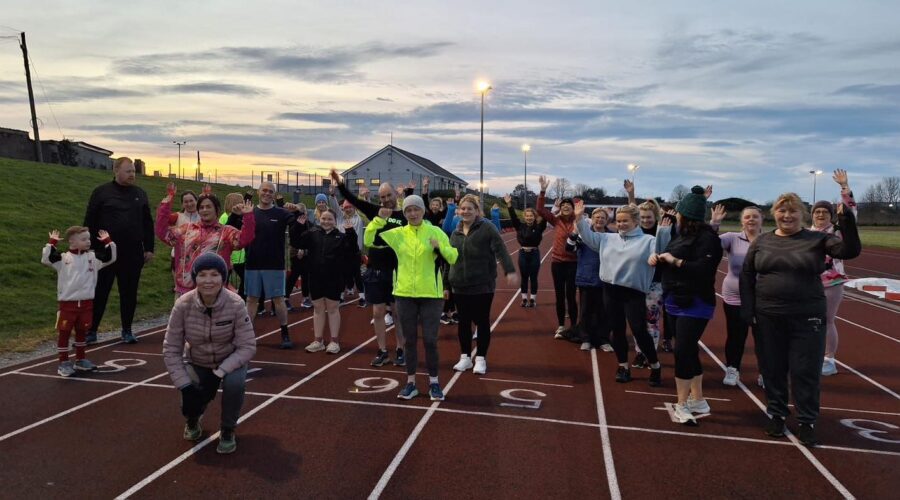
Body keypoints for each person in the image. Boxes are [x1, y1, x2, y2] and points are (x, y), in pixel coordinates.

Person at [740, 192, 860, 446]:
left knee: (805, 370)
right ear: (774, 214)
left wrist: (846, 220)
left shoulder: (818, 239)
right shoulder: (762, 241)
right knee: (772, 369)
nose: (787, 216)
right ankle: (777, 414)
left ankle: (807, 421)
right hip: (768, 316)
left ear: (802, 214)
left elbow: (850, 250)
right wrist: (748, 310)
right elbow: (747, 275)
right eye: (782, 211)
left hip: (807, 317)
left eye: (793, 211)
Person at [163, 253, 256, 454]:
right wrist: (184, 386)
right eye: (202, 274)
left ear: (223, 277)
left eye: (214, 274)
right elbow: (171, 348)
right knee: (191, 396)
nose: (208, 280)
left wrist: (219, 373)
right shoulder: (183, 305)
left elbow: (247, 346)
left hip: (230, 359)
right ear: (195, 277)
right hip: (197, 359)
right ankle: (193, 420)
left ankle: (228, 429)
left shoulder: (236, 303)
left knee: (234, 385)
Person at [367, 195, 458, 400]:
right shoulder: (398, 234)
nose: (413, 213)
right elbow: (368, 240)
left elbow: (453, 257)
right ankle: (410, 383)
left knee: (430, 341)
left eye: (416, 209)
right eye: (408, 210)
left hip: (431, 295)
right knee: (409, 341)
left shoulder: (435, 232)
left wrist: (440, 247)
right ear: (404, 213)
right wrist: (378, 220)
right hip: (404, 294)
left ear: (423, 211)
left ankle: (434, 383)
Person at [575, 201, 671, 386]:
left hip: (633, 293)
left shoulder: (648, 241)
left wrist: (661, 242)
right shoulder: (607, 238)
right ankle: (623, 366)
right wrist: (579, 218)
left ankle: (655, 365)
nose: (620, 224)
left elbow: (659, 252)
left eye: (625, 221)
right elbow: (587, 237)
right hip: (610, 290)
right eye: (618, 221)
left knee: (639, 331)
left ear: (636, 221)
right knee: (617, 330)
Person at [649, 186, 723, 425]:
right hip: (675, 298)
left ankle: (681, 404)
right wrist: (658, 259)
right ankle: (698, 399)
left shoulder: (708, 239)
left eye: (679, 213)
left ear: (686, 215)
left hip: (696, 301)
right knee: (689, 350)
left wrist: (676, 261)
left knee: (682, 351)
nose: (676, 216)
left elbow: (704, 269)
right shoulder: (680, 235)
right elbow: (669, 257)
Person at [333, 170, 407, 367]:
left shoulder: (404, 215)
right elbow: (353, 200)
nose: (386, 200)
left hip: (397, 271)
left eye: (388, 195)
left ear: (395, 194)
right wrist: (340, 185)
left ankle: (401, 350)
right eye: (382, 197)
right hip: (375, 270)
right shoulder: (375, 211)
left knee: (398, 313)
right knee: (377, 313)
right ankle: (382, 351)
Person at [83, 157, 154, 344]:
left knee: (129, 293)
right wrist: (88, 246)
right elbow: (90, 220)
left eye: (133, 171)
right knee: (100, 291)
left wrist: (149, 248)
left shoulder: (140, 194)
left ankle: (127, 330)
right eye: (128, 171)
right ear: (116, 171)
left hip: (132, 253)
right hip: (104, 253)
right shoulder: (101, 192)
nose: (132, 174)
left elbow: (147, 223)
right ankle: (91, 330)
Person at [448, 195, 518, 375]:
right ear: (458, 211)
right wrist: (446, 284)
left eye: (469, 208)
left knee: (481, 321)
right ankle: (465, 357)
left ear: (477, 211)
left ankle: (480, 358)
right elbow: (449, 259)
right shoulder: (455, 233)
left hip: (482, 284)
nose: (465, 211)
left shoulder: (487, 228)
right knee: (463, 322)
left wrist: (509, 270)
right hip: (459, 285)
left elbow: (500, 249)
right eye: (463, 208)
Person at [41, 227, 117, 376]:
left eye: (89, 239)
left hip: (86, 304)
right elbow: (46, 259)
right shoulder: (63, 259)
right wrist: (52, 243)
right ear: (72, 242)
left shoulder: (93, 258)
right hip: (68, 305)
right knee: (64, 333)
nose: (88, 242)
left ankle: (80, 360)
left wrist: (109, 242)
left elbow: (110, 258)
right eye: (83, 239)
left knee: (82, 332)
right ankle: (63, 362)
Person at [156, 185, 256, 296]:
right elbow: (163, 233)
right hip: (187, 290)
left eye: (208, 207)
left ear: (217, 210)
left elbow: (244, 239)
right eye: (201, 207)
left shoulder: (226, 232)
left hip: (215, 290)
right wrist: (165, 206)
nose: (205, 210)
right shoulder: (186, 229)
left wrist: (248, 216)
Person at [709, 204, 764, 387]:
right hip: (734, 295)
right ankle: (733, 368)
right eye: (747, 216)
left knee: (763, 337)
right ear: (742, 221)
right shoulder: (732, 238)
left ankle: (765, 372)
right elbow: (709, 244)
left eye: (755, 216)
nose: (751, 219)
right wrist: (714, 224)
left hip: (762, 297)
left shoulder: (769, 240)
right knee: (736, 335)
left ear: (761, 220)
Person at [243, 181, 302, 349]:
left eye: (271, 191)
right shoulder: (250, 212)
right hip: (253, 263)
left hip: (275, 264)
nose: (267, 194)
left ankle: (285, 332)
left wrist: (297, 210)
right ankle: (247, 334)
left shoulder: (282, 213)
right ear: (258, 192)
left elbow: (299, 224)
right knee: (251, 299)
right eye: (264, 190)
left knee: (278, 299)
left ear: (274, 195)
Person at [810, 169, 857, 376]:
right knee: (809, 321)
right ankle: (812, 354)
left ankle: (829, 359)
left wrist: (844, 188)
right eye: (817, 212)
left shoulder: (838, 231)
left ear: (831, 215)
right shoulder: (806, 234)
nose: (820, 215)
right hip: (808, 283)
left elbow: (850, 215)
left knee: (827, 321)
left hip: (831, 283)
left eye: (825, 212)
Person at [295, 209, 358, 354]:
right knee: (318, 308)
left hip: (334, 278)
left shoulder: (341, 237)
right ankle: (318, 341)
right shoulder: (312, 233)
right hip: (315, 277)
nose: (326, 221)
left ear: (335, 221)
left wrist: (350, 232)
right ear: (319, 219)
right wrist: (298, 226)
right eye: (324, 218)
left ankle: (334, 341)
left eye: (330, 219)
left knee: (333, 308)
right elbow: (297, 241)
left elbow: (353, 249)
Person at [536, 176, 579, 338]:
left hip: (573, 263)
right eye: (563, 205)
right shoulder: (556, 220)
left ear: (573, 208)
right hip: (558, 263)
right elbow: (540, 210)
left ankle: (574, 326)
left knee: (571, 296)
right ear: (560, 209)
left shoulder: (578, 221)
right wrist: (542, 191)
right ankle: (561, 326)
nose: (566, 207)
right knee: (559, 296)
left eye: (569, 205)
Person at [566, 207, 612, 352]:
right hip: (587, 277)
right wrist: (575, 232)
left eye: (603, 218)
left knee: (604, 311)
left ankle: (603, 339)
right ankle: (585, 338)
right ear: (592, 219)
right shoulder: (584, 235)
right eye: (597, 217)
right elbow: (569, 248)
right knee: (585, 310)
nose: (600, 220)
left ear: (607, 220)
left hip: (606, 279)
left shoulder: (612, 236)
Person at [505, 195, 547, 308]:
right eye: (527, 216)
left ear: (534, 216)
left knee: (533, 277)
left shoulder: (539, 227)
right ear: (524, 217)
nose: (529, 217)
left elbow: (545, 217)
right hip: (523, 254)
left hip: (534, 254)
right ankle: (524, 299)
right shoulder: (520, 226)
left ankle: (532, 299)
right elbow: (513, 217)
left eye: (531, 216)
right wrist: (509, 204)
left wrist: (553, 208)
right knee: (524, 277)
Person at [336, 200, 366, 306]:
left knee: (357, 275)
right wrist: (332, 196)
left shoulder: (358, 218)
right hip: (342, 252)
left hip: (355, 252)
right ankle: (341, 297)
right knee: (342, 275)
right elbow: (335, 207)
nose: (348, 209)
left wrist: (363, 197)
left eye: (350, 207)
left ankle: (362, 298)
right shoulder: (340, 218)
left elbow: (363, 210)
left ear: (354, 208)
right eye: (346, 208)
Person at [220, 193, 249, 299]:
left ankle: (240, 299)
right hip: (231, 256)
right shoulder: (224, 217)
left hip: (240, 256)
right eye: (240, 202)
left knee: (246, 279)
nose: (242, 204)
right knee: (225, 280)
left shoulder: (240, 216)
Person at [286, 204, 313, 310]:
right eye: (299, 212)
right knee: (294, 275)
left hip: (306, 253)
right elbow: (293, 235)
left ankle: (306, 298)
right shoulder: (293, 223)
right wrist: (298, 250)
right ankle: (286, 298)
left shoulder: (309, 224)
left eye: (303, 212)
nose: (301, 215)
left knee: (305, 276)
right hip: (295, 253)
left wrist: (305, 250)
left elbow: (311, 236)